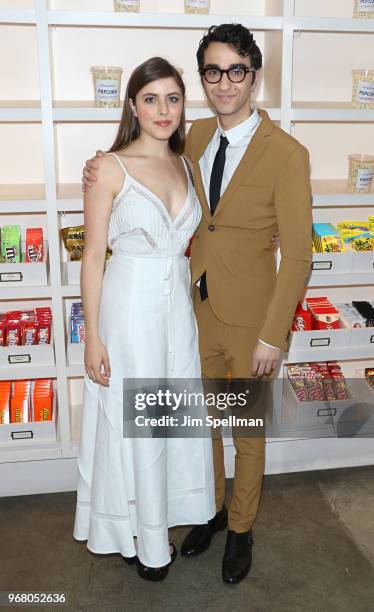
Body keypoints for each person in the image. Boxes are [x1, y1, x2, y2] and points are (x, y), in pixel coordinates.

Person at [83, 25, 312, 585]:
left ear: (255, 75)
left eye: (237, 70)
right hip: (190, 310)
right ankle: (206, 512)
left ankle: (240, 529)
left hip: (251, 319)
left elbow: (301, 256)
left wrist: (272, 335)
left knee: (245, 429)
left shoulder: (287, 153)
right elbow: (136, 161)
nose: (225, 82)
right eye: (213, 71)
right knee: (195, 424)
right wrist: (98, 164)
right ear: (202, 81)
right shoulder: (193, 135)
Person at [73, 56, 216, 582]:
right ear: (132, 105)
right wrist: (93, 338)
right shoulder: (108, 167)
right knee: (132, 425)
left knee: (166, 421)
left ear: (184, 106)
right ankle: (136, 537)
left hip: (176, 308)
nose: (163, 109)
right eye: (151, 98)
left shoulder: (188, 162)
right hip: (129, 308)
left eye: (173, 98)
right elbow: (92, 257)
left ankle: (157, 528)